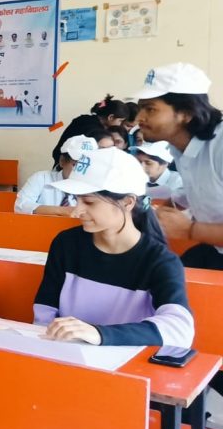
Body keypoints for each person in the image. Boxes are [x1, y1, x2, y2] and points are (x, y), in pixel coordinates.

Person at [33, 148, 193, 348]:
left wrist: (99, 334)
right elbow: (45, 311)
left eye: (89, 202)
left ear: (127, 202)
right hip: (65, 354)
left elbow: (179, 329)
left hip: (128, 362)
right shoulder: (66, 244)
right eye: (76, 199)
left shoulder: (159, 260)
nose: (77, 211)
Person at [134, 62, 223, 269]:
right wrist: (156, 214)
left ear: (186, 113)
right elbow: (200, 188)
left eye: (150, 109)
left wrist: (190, 230)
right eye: (140, 108)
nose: (139, 118)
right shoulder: (181, 147)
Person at [15, 135, 98, 216]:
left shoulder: (96, 187)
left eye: (88, 166)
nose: (83, 171)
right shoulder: (41, 178)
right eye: (76, 165)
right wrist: (62, 211)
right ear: (62, 161)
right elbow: (20, 206)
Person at [51, 94, 129, 166]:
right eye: (120, 121)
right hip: (69, 166)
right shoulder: (94, 130)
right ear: (111, 117)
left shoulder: (85, 119)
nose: (120, 124)